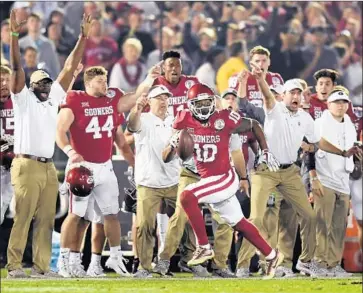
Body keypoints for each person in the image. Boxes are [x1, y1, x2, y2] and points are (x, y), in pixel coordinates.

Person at [237, 62, 362, 279]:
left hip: (289, 172)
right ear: (283, 95)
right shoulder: (274, 109)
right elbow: (267, 96)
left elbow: (318, 142)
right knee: (256, 218)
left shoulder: (305, 118)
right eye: (291, 92)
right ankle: (243, 265)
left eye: (298, 93)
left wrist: (342, 152)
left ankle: (304, 262)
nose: (295, 96)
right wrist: (259, 79)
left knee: (309, 216)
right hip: (266, 170)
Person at [162, 83, 283, 279]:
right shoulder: (183, 120)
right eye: (198, 104)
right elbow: (166, 157)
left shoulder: (224, 118)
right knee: (239, 223)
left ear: (213, 102)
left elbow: (254, 125)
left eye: (207, 102)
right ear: (190, 105)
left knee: (187, 196)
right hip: (208, 179)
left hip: (224, 178)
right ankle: (271, 255)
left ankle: (203, 246)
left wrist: (265, 150)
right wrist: (173, 144)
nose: (203, 108)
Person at [6, 11, 93, 279]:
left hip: (46, 167)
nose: (45, 83)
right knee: (23, 216)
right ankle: (14, 267)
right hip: (26, 163)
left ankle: (42, 268)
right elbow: (17, 68)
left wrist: (83, 37)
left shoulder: (54, 97)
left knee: (45, 219)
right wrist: (13, 36)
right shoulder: (22, 98)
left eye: (47, 79)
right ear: (30, 85)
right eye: (40, 80)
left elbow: (69, 67)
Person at [56, 63, 160, 278]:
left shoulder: (112, 99)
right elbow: (60, 130)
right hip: (82, 166)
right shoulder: (75, 99)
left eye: (105, 81)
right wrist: (69, 151)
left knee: (109, 215)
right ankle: (65, 260)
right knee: (77, 215)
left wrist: (149, 79)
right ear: (88, 83)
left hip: (105, 165)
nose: (105, 85)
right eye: (100, 81)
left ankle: (111, 258)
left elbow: (134, 99)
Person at [313, 89, 359, 277]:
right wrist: (313, 178)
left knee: (339, 225)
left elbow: (352, 150)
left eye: (344, 102)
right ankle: (319, 263)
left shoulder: (349, 124)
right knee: (322, 224)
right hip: (325, 178)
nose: (341, 105)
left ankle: (333, 264)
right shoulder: (320, 122)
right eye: (337, 102)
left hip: (343, 180)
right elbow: (316, 144)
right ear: (328, 104)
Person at [0, 65, 14, 225]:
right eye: (0, 80)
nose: (4, 83)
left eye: (7, 80)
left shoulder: (20, 100)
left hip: (15, 162)